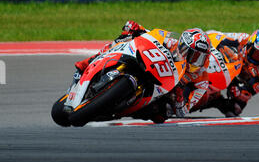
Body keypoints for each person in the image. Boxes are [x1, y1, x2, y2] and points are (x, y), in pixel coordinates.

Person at [74, 20, 212, 119]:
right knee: (123, 40)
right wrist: (137, 28)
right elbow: (151, 35)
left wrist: (180, 97)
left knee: (159, 114)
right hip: (153, 67)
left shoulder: (202, 81)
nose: (193, 61)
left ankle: (121, 109)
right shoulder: (172, 43)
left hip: (164, 95)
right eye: (191, 54)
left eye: (198, 58)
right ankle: (86, 64)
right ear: (182, 46)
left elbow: (183, 112)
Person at [195, 27, 259, 117]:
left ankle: (216, 100)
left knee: (236, 108)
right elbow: (215, 36)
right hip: (227, 65)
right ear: (250, 44)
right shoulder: (241, 39)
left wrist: (240, 91)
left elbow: (248, 93)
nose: (256, 58)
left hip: (237, 80)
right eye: (255, 52)